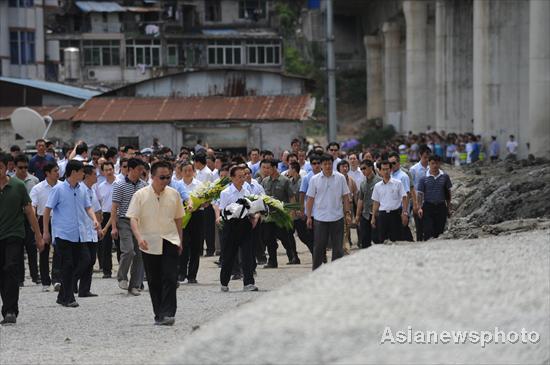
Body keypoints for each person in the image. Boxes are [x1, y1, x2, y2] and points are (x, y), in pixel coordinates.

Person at [127, 160, 185, 326]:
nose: (165, 180)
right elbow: (133, 219)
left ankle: (168, 313)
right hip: (149, 241)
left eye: (168, 177)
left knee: (170, 277)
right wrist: (139, 238)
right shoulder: (140, 195)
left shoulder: (174, 194)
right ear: (152, 177)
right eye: (162, 177)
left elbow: (179, 219)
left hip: (170, 239)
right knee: (154, 279)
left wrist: (180, 240)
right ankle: (159, 313)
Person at [43, 160, 101, 308]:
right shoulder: (58, 189)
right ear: (74, 172)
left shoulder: (82, 189)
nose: (83, 174)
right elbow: (47, 210)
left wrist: (94, 220)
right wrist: (46, 232)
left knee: (84, 260)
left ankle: (62, 294)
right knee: (67, 264)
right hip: (63, 234)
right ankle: (68, 298)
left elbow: (88, 207)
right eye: (81, 171)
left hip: (79, 234)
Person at [0, 152, 44, 325]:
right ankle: (7, 306)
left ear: (7, 167)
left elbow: (29, 212)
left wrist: (38, 235)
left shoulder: (18, 186)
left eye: (1, 168)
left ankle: (10, 310)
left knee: (10, 268)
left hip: (14, 234)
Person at [306, 154, 351, 270]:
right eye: (325, 164)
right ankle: (316, 271)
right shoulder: (314, 179)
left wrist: (347, 214)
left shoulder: (340, 178)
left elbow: (346, 197)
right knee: (319, 247)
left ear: (333, 164)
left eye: (329, 163)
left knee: (338, 248)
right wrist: (308, 217)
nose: (327, 166)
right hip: (320, 218)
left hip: (337, 217)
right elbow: (310, 199)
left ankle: (335, 271)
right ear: (321, 165)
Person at [217, 165, 258, 292]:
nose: (242, 179)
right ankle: (224, 282)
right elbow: (222, 211)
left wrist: (254, 216)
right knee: (228, 255)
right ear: (232, 178)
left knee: (247, 255)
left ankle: (248, 283)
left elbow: (251, 208)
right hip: (231, 226)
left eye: (243, 176)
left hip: (245, 225)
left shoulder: (247, 191)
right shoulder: (225, 193)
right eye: (239, 177)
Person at [110, 158, 147, 295]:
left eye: (141, 169)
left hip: (139, 222)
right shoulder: (119, 185)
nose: (141, 172)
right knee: (129, 250)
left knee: (140, 254)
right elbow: (114, 208)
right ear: (130, 169)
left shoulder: (144, 185)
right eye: (138, 169)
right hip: (124, 221)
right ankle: (122, 277)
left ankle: (135, 285)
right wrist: (114, 227)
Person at [261, 159, 300, 268]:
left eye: (268, 168)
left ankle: (292, 255)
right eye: (264, 168)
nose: (266, 170)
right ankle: (272, 261)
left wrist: (292, 213)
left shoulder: (285, 181)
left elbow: (291, 197)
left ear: (274, 167)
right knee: (268, 238)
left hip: (282, 215)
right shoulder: (265, 181)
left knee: (284, 238)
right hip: (269, 216)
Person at [30, 162, 60, 291]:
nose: (58, 173)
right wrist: (34, 224)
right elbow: (33, 206)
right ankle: (45, 281)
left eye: (58, 170)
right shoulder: (38, 188)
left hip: (59, 220)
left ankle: (57, 279)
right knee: (44, 250)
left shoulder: (62, 186)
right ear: (47, 173)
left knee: (59, 250)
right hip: (43, 220)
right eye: (55, 171)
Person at [73, 165, 102, 298]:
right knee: (85, 259)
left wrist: (99, 227)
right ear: (87, 175)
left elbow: (96, 210)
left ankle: (84, 290)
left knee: (91, 261)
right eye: (94, 174)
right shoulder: (80, 190)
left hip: (92, 230)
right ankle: (70, 280)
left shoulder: (92, 190)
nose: (97, 176)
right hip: (82, 230)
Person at [13, 154, 40, 286]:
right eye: (20, 167)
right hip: (16, 218)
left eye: (25, 167)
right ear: (14, 168)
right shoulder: (10, 181)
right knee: (18, 250)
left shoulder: (34, 181)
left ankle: (35, 275)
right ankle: (20, 278)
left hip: (31, 217)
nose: (23, 170)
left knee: (32, 247)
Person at [178, 161, 204, 284]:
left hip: (197, 215)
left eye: (190, 170)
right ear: (181, 172)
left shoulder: (200, 185)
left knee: (196, 245)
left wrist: (200, 204)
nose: (188, 173)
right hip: (182, 216)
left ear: (194, 171)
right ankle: (181, 273)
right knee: (183, 244)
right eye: (185, 171)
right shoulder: (177, 185)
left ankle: (192, 275)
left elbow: (207, 201)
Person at [370, 160, 408, 242]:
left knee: (397, 239)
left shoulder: (398, 183)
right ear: (380, 171)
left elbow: (404, 198)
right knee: (382, 240)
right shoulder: (377, 186)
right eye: (383, 169)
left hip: (395, 214)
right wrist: (373, 217)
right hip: (382, 216)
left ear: (391, 170)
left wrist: (404, 213)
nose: (386, 171)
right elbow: (376, 202)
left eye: (387, 169)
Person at [417, 155, 453, 240]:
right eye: (432, 163)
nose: (435, 166)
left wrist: (448, 207)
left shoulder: (445, 177)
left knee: (439, 231)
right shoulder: (423, 178)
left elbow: (448, 193)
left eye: (437, 163)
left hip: (441, 206)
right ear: (429, 163)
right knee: (428, 230)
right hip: (428, 207)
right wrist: (419, 208)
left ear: (440, 164)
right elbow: (420, 194)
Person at [96, 161, 119, 278]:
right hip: (106, 215)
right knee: (105, 245)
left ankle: (122, 268)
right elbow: (98, 204)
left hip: (119, 215)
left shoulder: (120, 183)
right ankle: (106, 270)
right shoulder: (100, 187)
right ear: (102, 172)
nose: (109, 172)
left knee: (120, 244)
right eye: (106, 170)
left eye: (111, 169)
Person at [355, 159, 381, 248]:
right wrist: (358, 215)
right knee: (365, 240)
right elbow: (360, 200)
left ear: (371, 168)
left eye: (364, 168)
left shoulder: (379, 181)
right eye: (361, 169)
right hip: (365, 214)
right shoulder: (363, 184)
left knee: (377, 238)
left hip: (377, 214)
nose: (363, 171)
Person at [194, 153, 216, 257]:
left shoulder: (207, 173)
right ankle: (202, 249)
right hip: (199, 202)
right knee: (202, 228)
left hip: (207, 203)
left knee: (208, 228)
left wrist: (205, 201)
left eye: (195, 162)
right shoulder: (199, 172)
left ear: (198, 162)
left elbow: (208, 189)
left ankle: (210, 249)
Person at [409, 145, 432, 241]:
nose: (427, 160)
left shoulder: (431, 169)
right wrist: (414, 204)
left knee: (429, 225)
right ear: (420, 156)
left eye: (428, 158)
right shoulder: (414, 169)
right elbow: (411, 186)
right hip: (418, 200)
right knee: (419, 226)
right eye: (425, 157)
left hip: (429, 200)